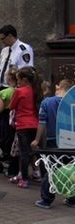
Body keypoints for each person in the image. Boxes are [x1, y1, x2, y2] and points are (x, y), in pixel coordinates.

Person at [32, 79, 75, 208]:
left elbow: (42, 122)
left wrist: (37, 140)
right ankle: (72, 198)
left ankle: (46, 199)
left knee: (52, 169)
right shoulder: (72, 103)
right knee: (71, 170)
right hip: (72, 141)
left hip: (53, 140)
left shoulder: (47, 102)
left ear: (58, 87)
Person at [9, 67, 42, 188]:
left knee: (23, 153)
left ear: (24, 80)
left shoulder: (19, 91)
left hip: (22, 125)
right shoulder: (36, 90)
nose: (18, 82)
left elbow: (12, 106)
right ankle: (34, 173)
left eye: (18, 80)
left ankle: (24, 179)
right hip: (35, 125)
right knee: (32, 152)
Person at [0, 69, 19, 177]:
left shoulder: (4, 92)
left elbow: (0, 109)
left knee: (4, 136)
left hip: (5, 118)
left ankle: (5, 154)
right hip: (15, 118)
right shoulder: (18, 91)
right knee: (12, 137)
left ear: (8, 78)